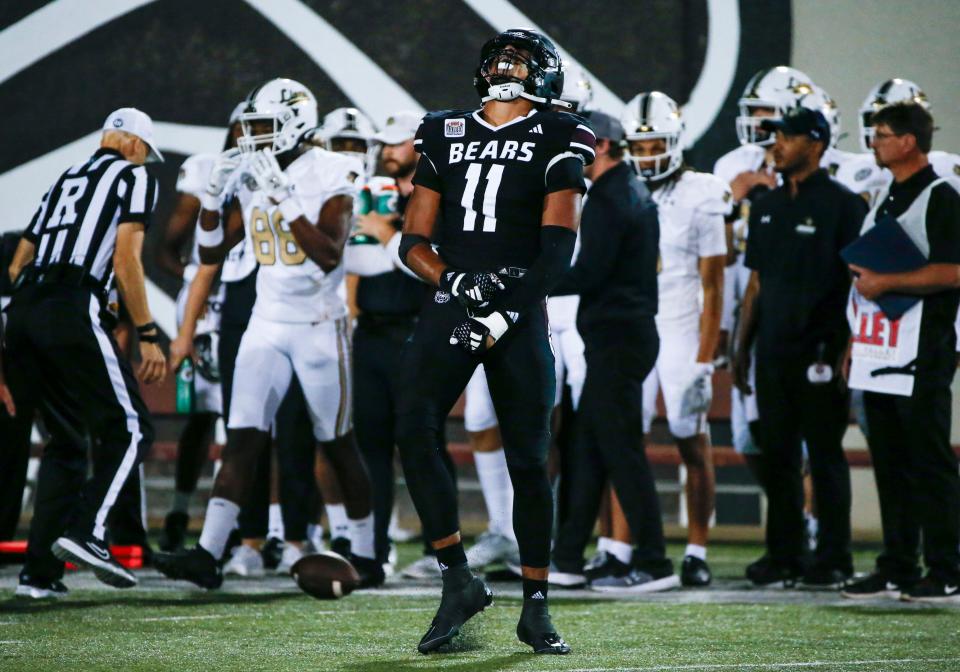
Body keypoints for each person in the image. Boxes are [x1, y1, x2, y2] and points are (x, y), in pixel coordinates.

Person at [396, 28, 593, 654]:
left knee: (530, 458)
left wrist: (502, 311)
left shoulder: (561, 132)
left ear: (545, 75)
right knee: (414, 425)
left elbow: (557, 253)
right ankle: (457, 577)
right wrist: (457, 282)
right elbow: (412, 243)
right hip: (457, 297)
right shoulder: (443, 129)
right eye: (499, 56)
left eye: (522, 57)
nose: (507, 62)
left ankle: (536, 604)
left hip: (518, 303)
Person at [154, 78, 381, 589]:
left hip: (320, 326)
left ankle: (366, 551)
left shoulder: (332, 168)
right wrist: (214, 197)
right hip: (266, 322)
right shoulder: (256, 171)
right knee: (241, 439)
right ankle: (209, 554)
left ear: (296, 125)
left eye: (263, 127)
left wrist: (281, 196)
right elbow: (209, 252)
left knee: (337, 442)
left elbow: (327, 254)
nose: (252, 137)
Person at [5, 108, 165, 597]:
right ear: (135, 144)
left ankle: (39, 575)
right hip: (70, 304)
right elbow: (125, 258)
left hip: (25, 307)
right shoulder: (133, 176)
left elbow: (17, 264)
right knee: (132, 427)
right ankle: (89, 532)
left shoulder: (65, 180)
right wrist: (148, 331)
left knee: (67, 442)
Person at [734, 107, 867, 589]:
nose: (777, 145)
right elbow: (756, 283)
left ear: (816, 143)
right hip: (771, 350)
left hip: (822, 351)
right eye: (776, 138)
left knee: (825, 454)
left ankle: (834, 558)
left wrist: (851, 346)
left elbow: (860, 283)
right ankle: (784, 554)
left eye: (787, 137)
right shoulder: (767, 206)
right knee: (778, 456)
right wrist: (741, 346)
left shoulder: (844, 205)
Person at [548, 110, 674, 594]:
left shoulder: (608, 196)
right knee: (588, 445)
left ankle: (654, 561)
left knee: (620, 450)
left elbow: (591, 272)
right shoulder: (628, 190)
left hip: (618, 337)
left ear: (599, 146)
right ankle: (566, 556)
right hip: (622, 335)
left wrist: (529, 283)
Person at [841, 101, 960, 602]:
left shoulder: (941, 197)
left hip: (924, 347)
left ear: (909, 141)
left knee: (928, 460)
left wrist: (890, 280)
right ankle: (898, 564)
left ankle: (947, 566)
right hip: (880, 347)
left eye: (884, 134)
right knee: (889, 460)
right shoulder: (887, 195)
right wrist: (854, 341)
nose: (875, 141)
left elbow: (955, 271)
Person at [339, 110, 459, 576]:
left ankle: (443, 551)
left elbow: (432, 264)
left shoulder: (440, 196)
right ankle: (371, 551)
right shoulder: (373, 193)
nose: (387, 151)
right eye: (384, 144)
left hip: (417, 329)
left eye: (396, 143)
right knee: (370, 443)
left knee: (423, 441)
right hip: (371, 332)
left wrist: (388, 232)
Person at [617, 91, 729, 587]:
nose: (646, 155)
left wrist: (706, 357)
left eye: (654, 144)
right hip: (635, 325)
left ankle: (698, 548)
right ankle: (624, 548)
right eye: (638, 147)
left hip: (681, 326)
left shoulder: (702, 191)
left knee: (690, 438)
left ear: (676, 140)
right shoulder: (618, 189)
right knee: (624, 441)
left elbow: (714, 284)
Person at [714, 66, 815, 482]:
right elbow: (716, 254)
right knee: (749, 436)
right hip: (746, 310)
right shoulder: (732, 165)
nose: (756, 122)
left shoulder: (815, 174)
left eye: (765, 111)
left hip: (799, 313)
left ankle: (811, 527)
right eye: (752, 111)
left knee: (804, 432)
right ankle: (787, 523)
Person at [156, 105, 242, 553]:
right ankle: (180, 510)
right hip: (209, 306)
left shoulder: (281, 175)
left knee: (244, 416)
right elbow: (169, 247)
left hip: (252, 300)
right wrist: (196, 284)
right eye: (250, 126)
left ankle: (232, 524)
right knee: (205, 415)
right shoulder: (208, 168)